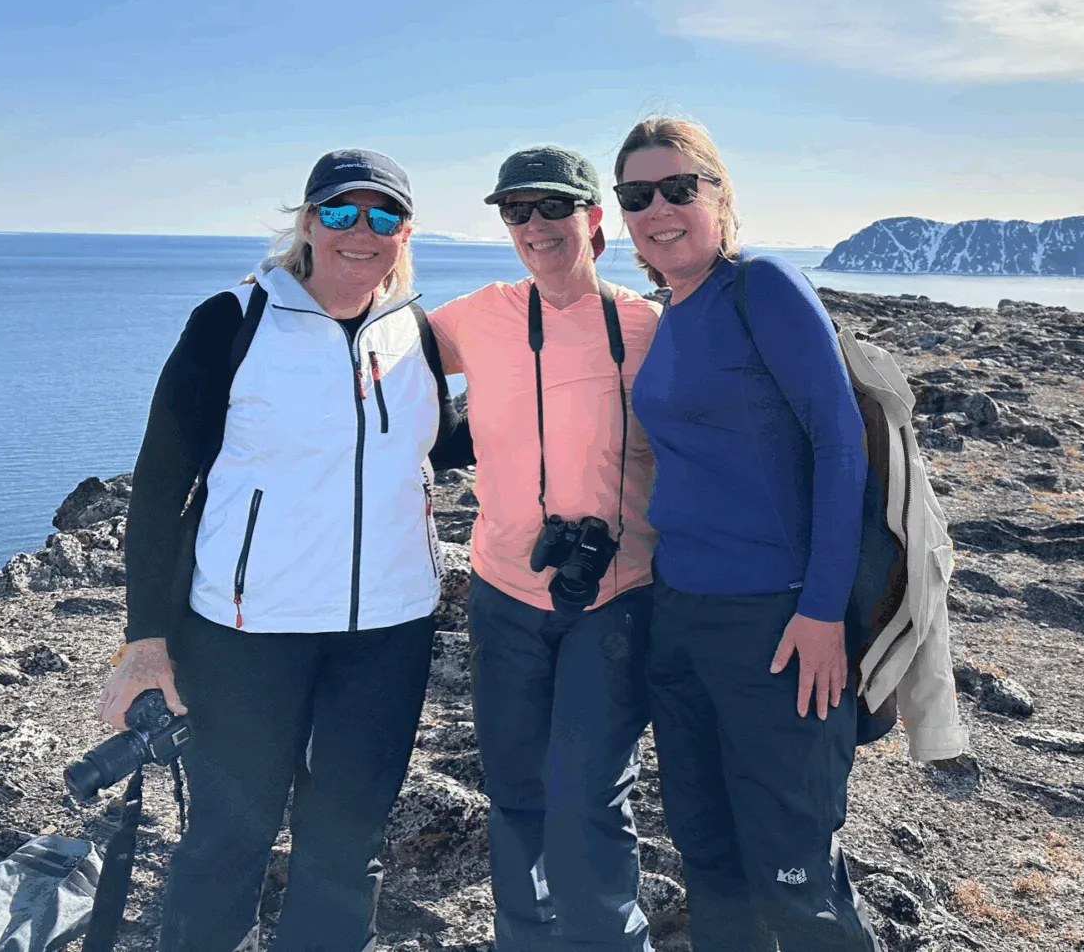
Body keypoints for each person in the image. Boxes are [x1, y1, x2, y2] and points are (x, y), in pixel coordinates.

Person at [97, 149, 471, 952]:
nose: (360, 231)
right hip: (244, 632)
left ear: (406, 233)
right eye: (340, 212)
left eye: (383, 216)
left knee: (347, 848)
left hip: (389, 630)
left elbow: (437, 447)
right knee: (229, 840)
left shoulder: (415, 335)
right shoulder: (232, 321)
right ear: (306, 223)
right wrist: (145, 642)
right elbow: (160, 487)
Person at [614, 118, 881, 951]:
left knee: (795, 877)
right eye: (636, 196)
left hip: (777, 622)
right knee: (711, 863)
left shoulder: (762, 284)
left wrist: (823, 610)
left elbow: (841, 444)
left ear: (720, 195)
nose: (658, 209)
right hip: (681, 618)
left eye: (678, 188)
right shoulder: (672, 312)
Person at [428, 146, 662, 951]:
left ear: (595, 220)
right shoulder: (477, 316)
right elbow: (371, 348)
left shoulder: (646, 327)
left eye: (554, 208)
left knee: (592, 798)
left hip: (617, 597)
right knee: (517, 793)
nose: (535, 226)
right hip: (504, 593)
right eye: (516, 211)